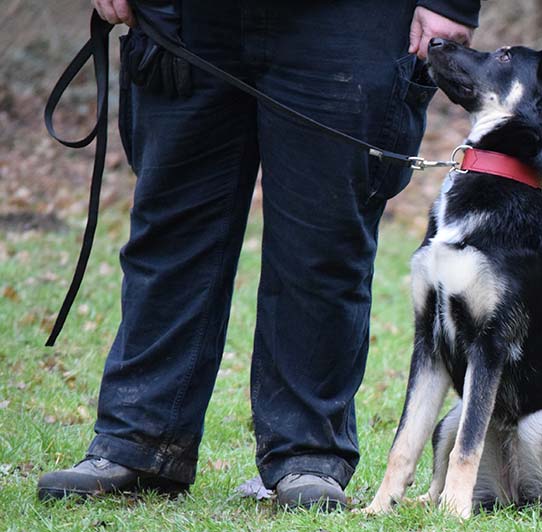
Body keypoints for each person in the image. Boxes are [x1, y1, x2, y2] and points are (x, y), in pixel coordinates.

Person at [37, 0, 479, 509]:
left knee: (324, 243)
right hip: (184, 13)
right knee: (169, 234)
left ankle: (307, 457)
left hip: (353, 18)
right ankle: (138, 444)